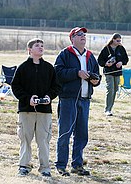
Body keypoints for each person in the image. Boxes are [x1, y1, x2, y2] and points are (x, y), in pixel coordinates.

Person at [54, 27, 101, 176]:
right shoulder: (65, 54)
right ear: (72, 38)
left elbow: (97, 75)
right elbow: (58, 73)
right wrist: (76, 73)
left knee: (82, 135)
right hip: (68, 99)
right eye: (79, 34)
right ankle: (61, 165)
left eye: (84, 34)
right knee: (65, 133)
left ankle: (77, 165)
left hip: (85, 100)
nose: (83, 37)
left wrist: (95, 80)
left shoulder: (90, 56)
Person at [11, 38, 59, 177]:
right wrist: (28, 99)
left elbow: (56, 87)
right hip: (26, 110)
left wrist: (49, 97)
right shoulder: (23, 67)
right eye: (37, 46)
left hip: (45, 111)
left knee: (43, 140)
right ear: (30, 50)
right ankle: (24, 166)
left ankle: (45, 168)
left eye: (42, 46)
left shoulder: (49, 68)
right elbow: (16, 87)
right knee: (25, 139)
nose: (41, 48)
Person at [98, 33, 129, 116]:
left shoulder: (121, 48)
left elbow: (126, 59)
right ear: (113, 40)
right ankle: (107, 110)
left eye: (120, 40)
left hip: (117, 72)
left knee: (115, 90)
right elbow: (99, 60)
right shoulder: (106, 49)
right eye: (117, 40)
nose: (119, 42)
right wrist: (106, 64)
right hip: (108, 72)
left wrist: (121, 62)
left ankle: (110, 108)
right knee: (110, 89)